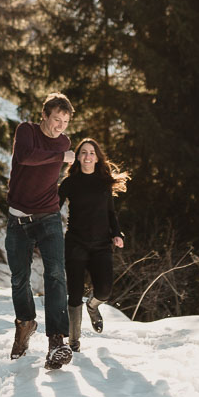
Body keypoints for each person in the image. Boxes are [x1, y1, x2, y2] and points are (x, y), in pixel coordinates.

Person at [5, 92, 76, 370]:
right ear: (44, 115)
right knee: (19, 279)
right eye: (56, 118)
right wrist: (60, 155)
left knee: (56, 273)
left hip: (48, 216)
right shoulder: (27, 132)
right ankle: (25, 323)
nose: (60, 125)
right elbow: (26, 158)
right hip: (18, 219)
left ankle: (57, 341)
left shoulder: (65, 142)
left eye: (65, 121)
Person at [58, 138, 129, 351]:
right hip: (76, 243)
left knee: (105, 290)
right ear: (77, 158)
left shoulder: (104, 183)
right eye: (83, 153)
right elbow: (54, 208)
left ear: (97, 158)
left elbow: (110, 213)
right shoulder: (69, 183)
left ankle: (93, 306)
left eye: (91, 153)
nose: (88, 156)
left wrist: (117, 233)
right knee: (74, 293)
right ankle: (74, 341)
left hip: (101, 245)